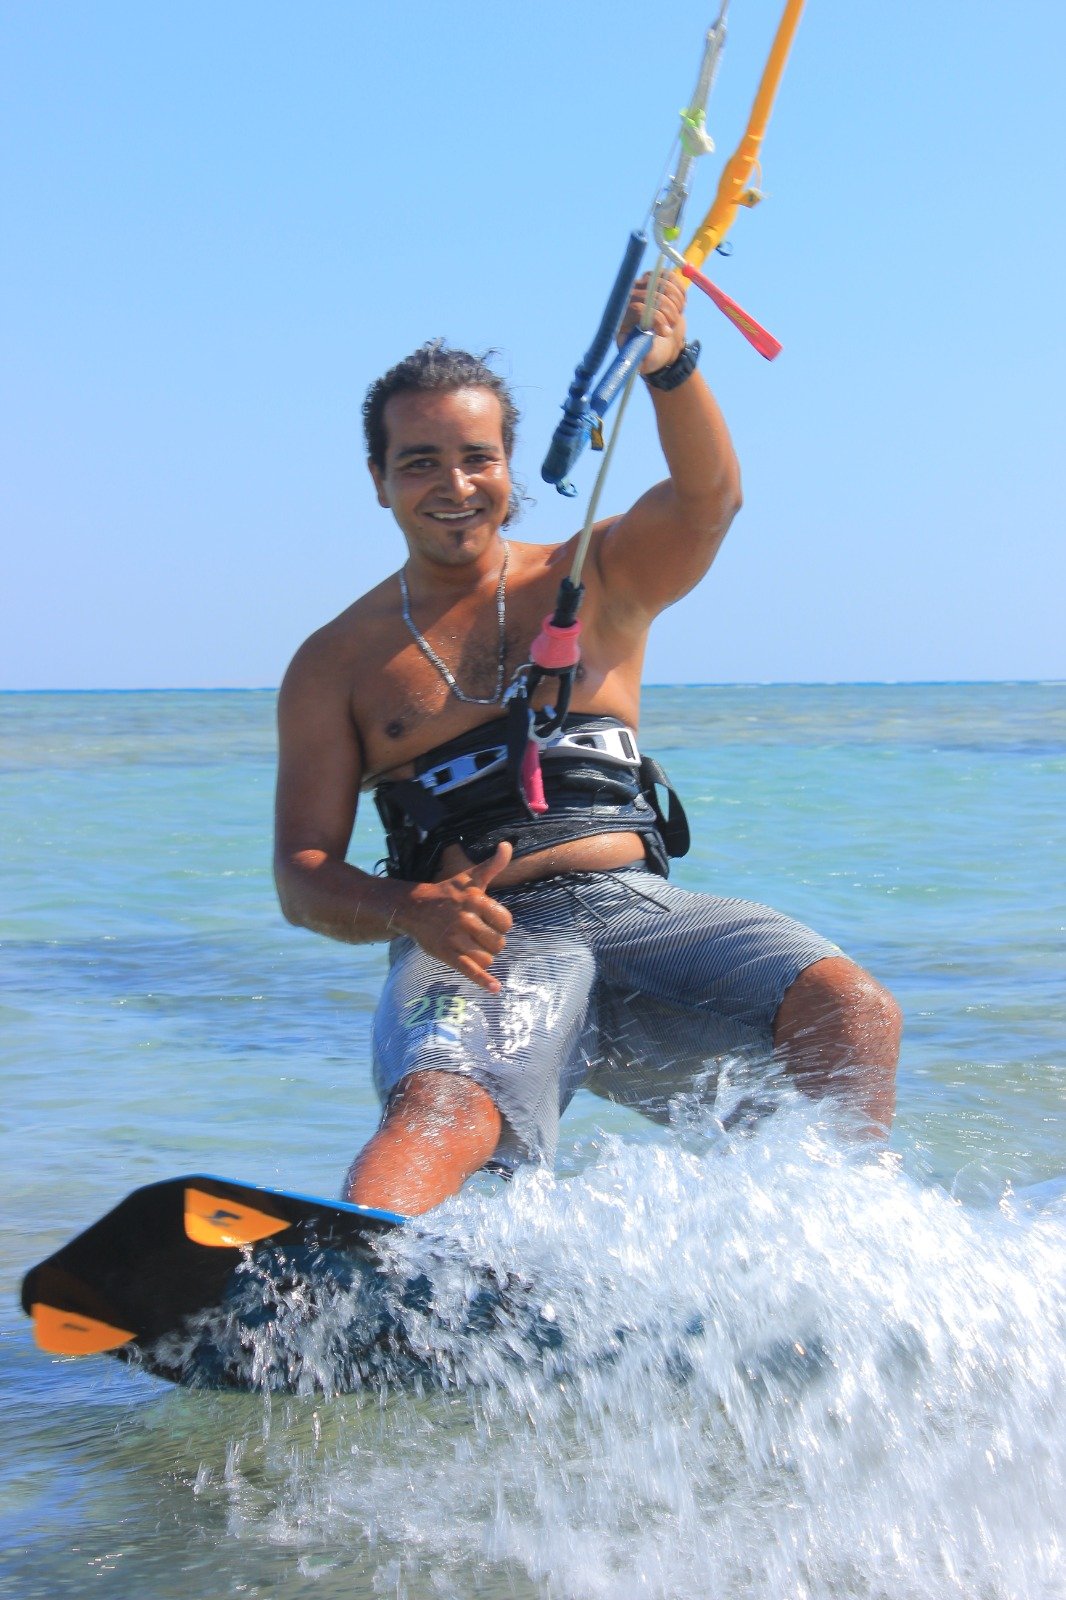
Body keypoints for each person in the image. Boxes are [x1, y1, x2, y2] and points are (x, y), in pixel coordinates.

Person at [273, 274, 901, 1216]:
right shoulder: (335, 663)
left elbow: (709, 502)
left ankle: (845, 1237)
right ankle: (349, 1261)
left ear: (510, 467)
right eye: (419, 462)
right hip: (484, 940)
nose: (454, 485)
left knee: (852, 1006)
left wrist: (670, 365)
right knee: (445, 1108)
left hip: (641, 913)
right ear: (378, 480)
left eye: (477, 458)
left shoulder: (594, 576)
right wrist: (412, 910)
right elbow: (302, 875)